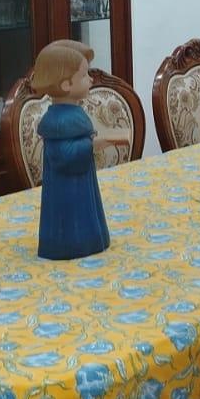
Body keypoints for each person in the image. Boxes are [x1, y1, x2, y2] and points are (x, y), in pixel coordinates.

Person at [29, 40, 130, 260]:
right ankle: (73, 243)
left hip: (80, 184)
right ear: (66, 85)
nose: (91, 79)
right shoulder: (58, 122)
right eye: (84, 75)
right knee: (73, 219)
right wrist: (94, 144)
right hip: (67, 191)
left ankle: (89, 238)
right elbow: (63, 157)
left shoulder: (72, 114)